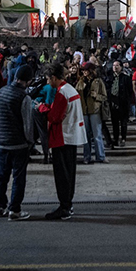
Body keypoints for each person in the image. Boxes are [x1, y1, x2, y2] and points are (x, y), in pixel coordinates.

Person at [37, 62, 87, 220]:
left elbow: (54, 117)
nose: (47, 82)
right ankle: (68, 204)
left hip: (62, 137)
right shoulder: (70, 89)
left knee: (62, 174)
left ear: (53, 77)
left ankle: (64, 206)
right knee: (70, 173)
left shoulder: (61, 93)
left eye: (48, 79)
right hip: (72, 136)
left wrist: (42, 108)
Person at [0, 65, 36, 220]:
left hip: (3, 142)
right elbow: (27, 124)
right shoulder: (24, 97)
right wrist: (30, 142)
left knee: (2, 176)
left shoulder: (1, 92)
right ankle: (15, 210)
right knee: (18, 177)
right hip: (19, 144)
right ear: (28, 80)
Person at [77, 63, 107, 164]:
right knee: (86, 135)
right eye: (83, 70)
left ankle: (101, 156)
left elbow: (104, 96)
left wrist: (96, 96)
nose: (84, 72)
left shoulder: (98, 81)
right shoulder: (81, 81)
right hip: (84, 110)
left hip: (94, 110)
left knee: (97, 134)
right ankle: (87, 156)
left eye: (86, 70)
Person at [107, 60, 133, 147]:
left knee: (123, 123)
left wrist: (128, 101)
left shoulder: (126, 78)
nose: (115, 67)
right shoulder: (110, 78)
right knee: (115, 123)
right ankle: (115, 138)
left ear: (121, 67)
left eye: (117, 65)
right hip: (113, 103)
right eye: (114, 65)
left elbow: (130, 91)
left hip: (123, 103)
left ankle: (123, 138)